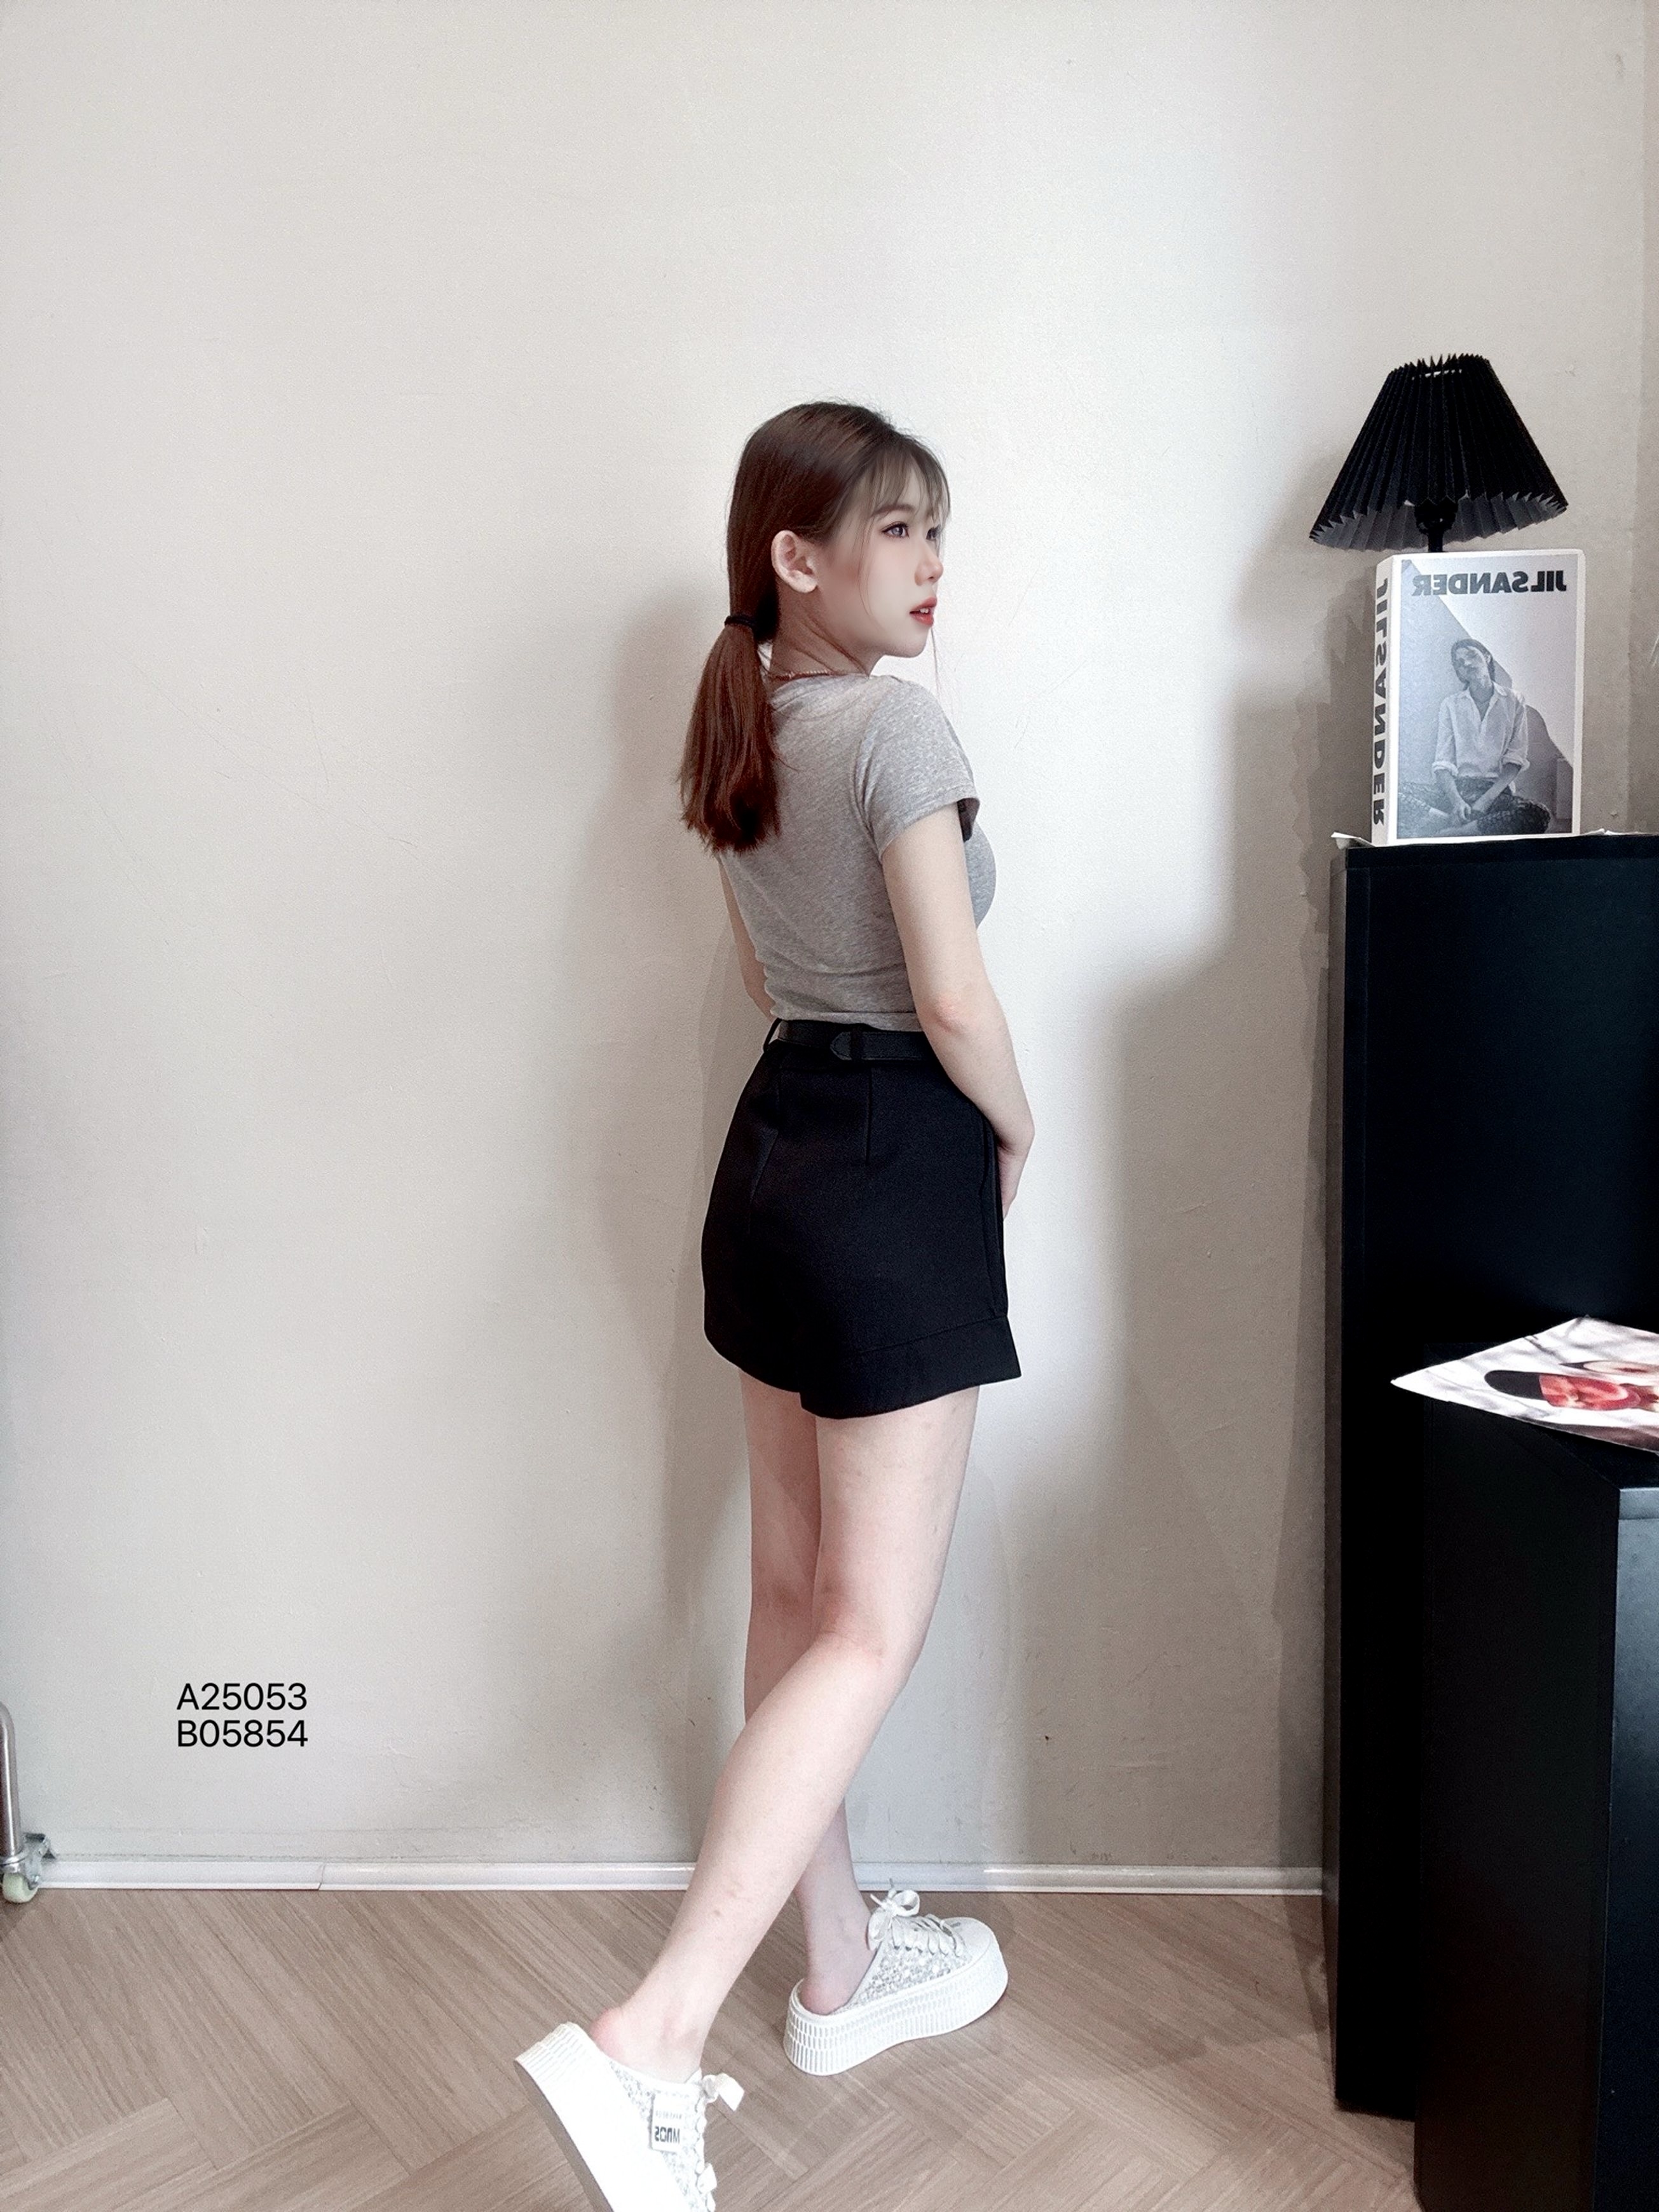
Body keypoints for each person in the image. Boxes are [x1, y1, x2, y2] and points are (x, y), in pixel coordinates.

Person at [514, 400, 1034, 2212]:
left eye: (937, 530)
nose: (930, 564)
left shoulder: (751, 727)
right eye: (895, 530)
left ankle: (837, 1968)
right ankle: (649, 2037)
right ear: (794, 557)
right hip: (893, 1160)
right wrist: (1015, 1128)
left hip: (776, 1158)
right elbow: (949, 998)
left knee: (795, 1598)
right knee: (867, 1626)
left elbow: (765, 971)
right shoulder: (897, 729)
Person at [1397, 638, 1553, 838]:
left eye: (1472, 655)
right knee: (1394, 794)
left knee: (1538, 814)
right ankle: (1457, 823)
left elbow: (1515, 759)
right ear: (1459, 672)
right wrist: (1457, 802)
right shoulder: (1450, 704)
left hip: (1495, 793)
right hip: (1456, 791)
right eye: (1460, 662)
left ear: (1487, 657)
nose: (1467, 663)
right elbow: (1443, 763)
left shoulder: (1514, 700)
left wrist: (1483, 803)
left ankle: (1454, 832)